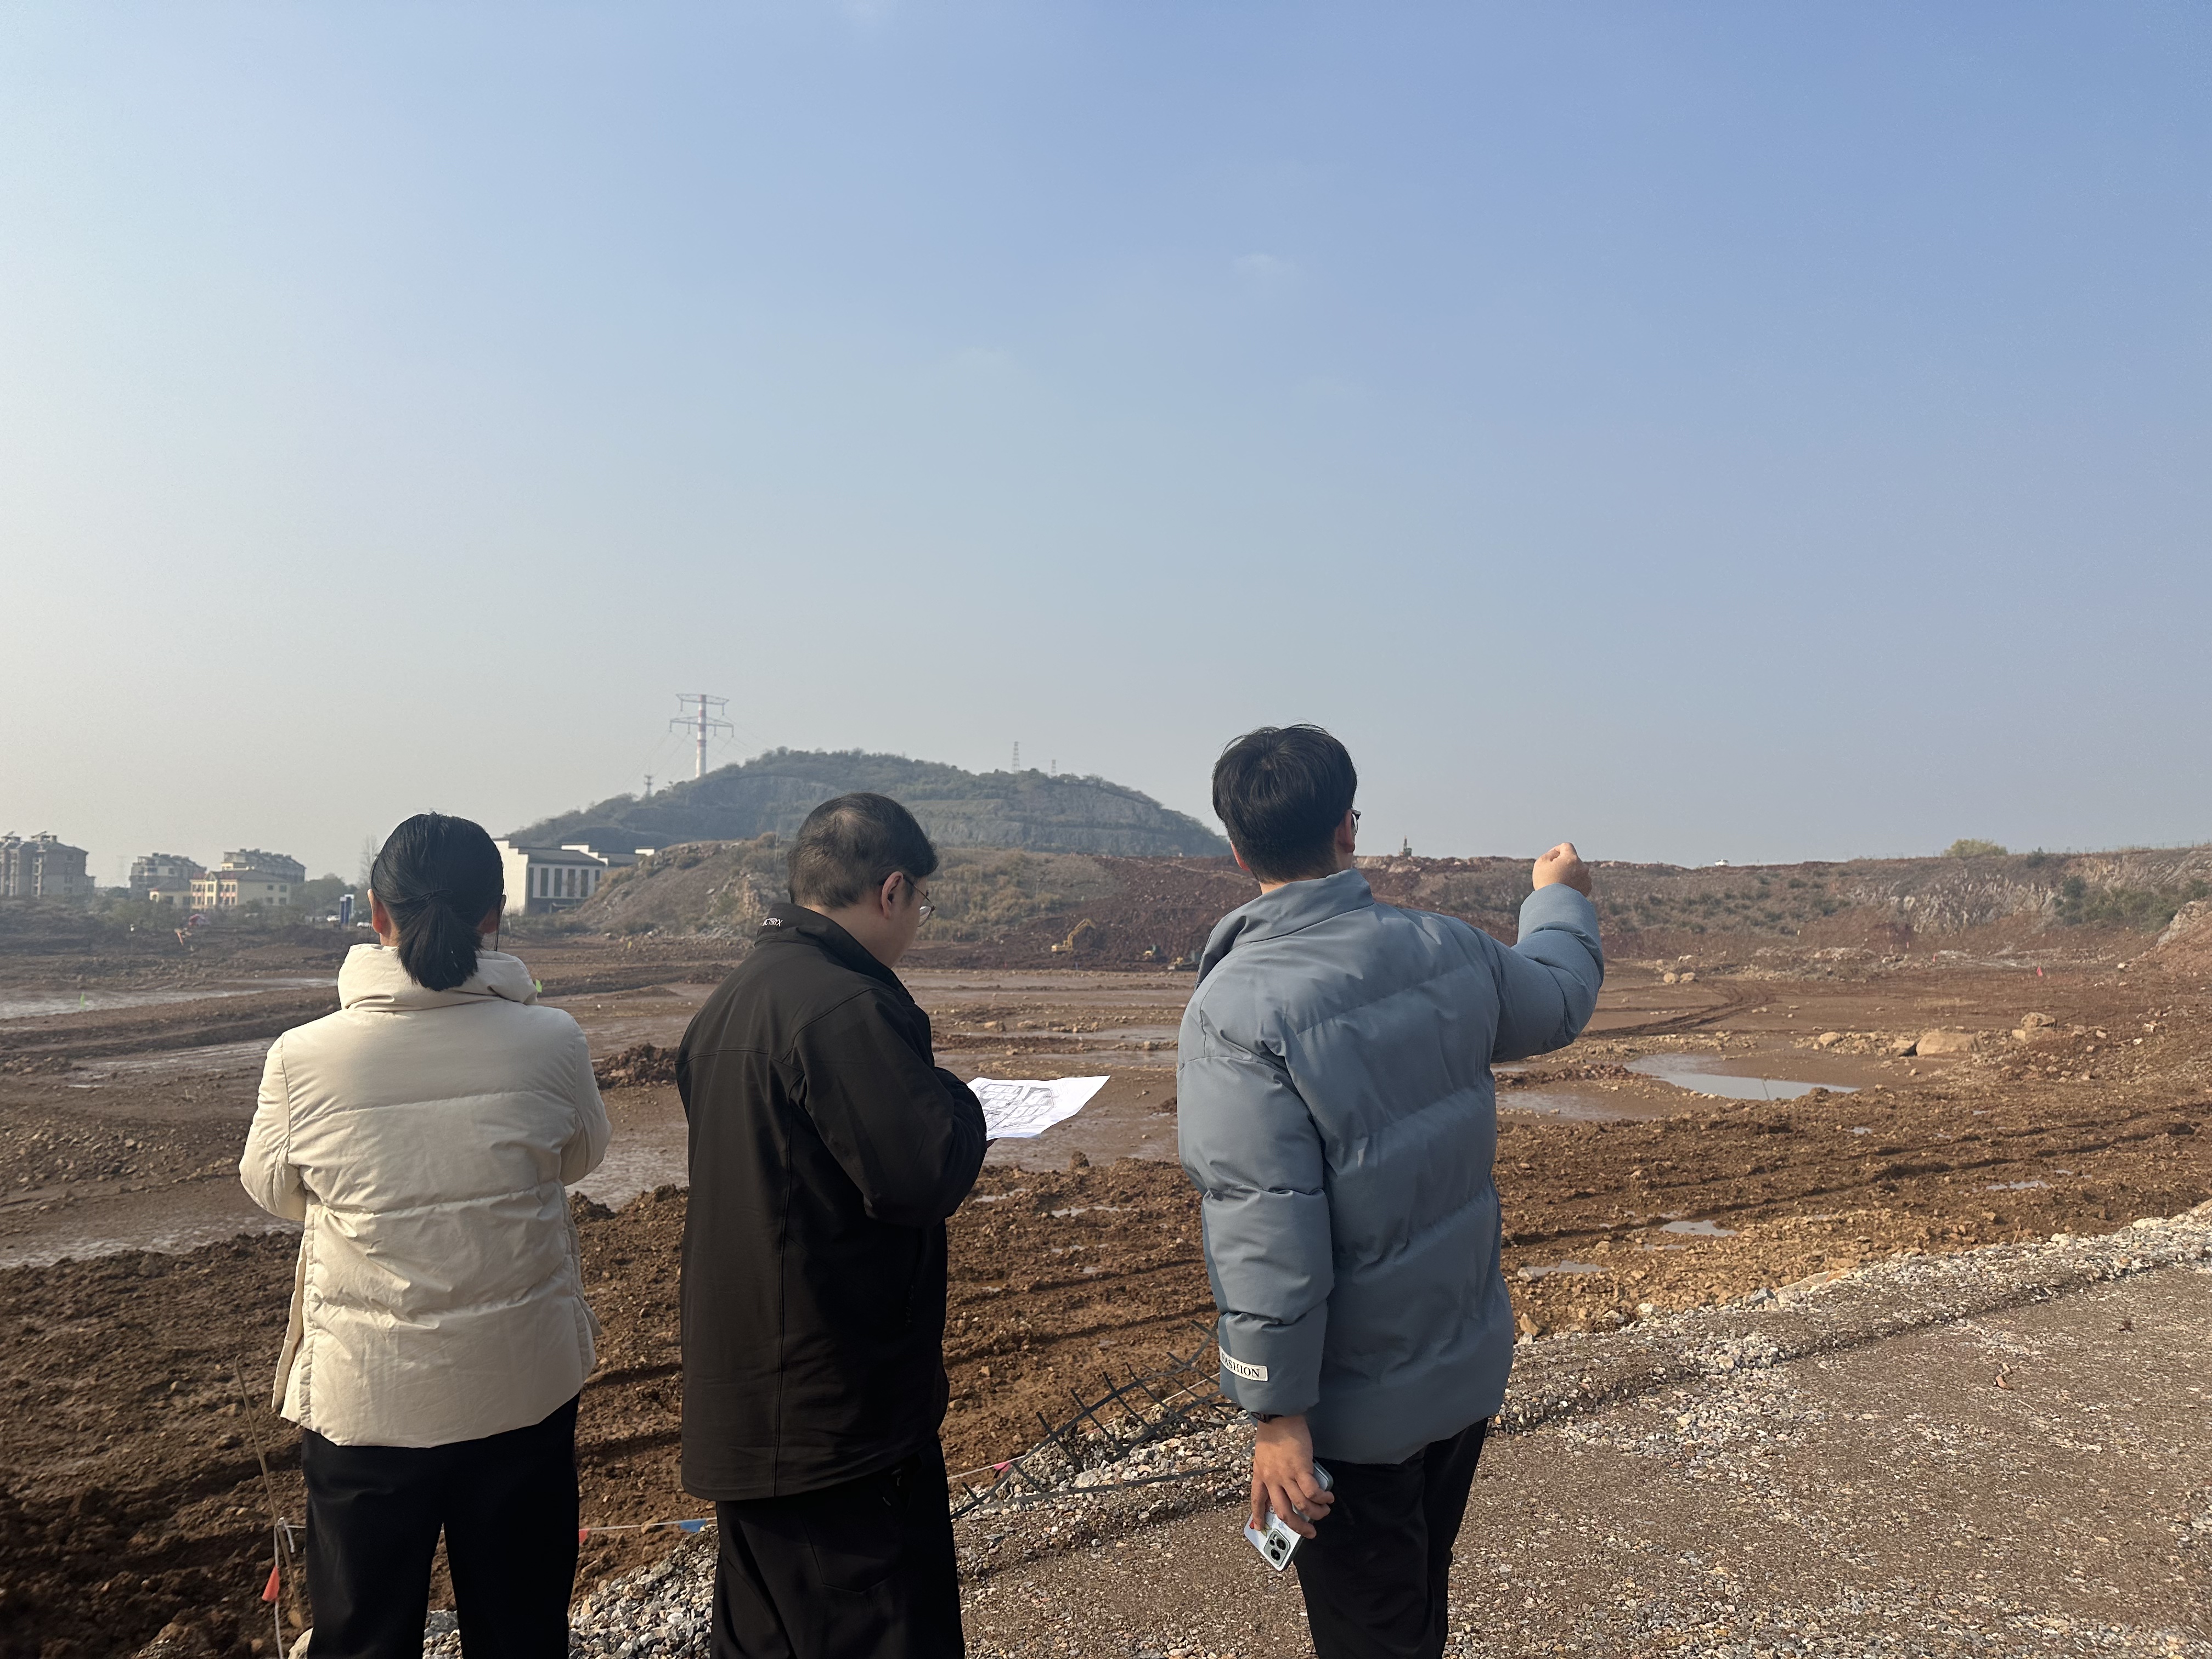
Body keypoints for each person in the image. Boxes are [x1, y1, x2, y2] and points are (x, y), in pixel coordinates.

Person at [1177, 726, 1604, 1659]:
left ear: (1238, 851)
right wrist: (1556, 899)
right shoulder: (1449, 948)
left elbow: (1263, 1226)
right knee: (1415, 1605)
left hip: (1351, 1419)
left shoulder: (1234, 1010)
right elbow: (1560, 1000)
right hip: (1460, 1372)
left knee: (1377, 1631)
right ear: (1349, 828)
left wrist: (1277, 1416)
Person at [240, 812, 610, 1659]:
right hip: (522, 1389)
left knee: (363, 1636)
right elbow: (581, 1156)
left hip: (365, 1400)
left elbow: (272, 1188)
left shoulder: (304, 1056)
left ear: (377, 913)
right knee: (521, 1633)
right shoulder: (552, 1040)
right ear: (495, 916)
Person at [677, 792, 987, 1659]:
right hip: (836, 1422)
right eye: (920, 901)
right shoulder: (844, 1006)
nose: (916, 921)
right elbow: (922, 1172)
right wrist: (963, 1102)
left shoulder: (732, 1001)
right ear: (892, 891)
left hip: (751, 1409)